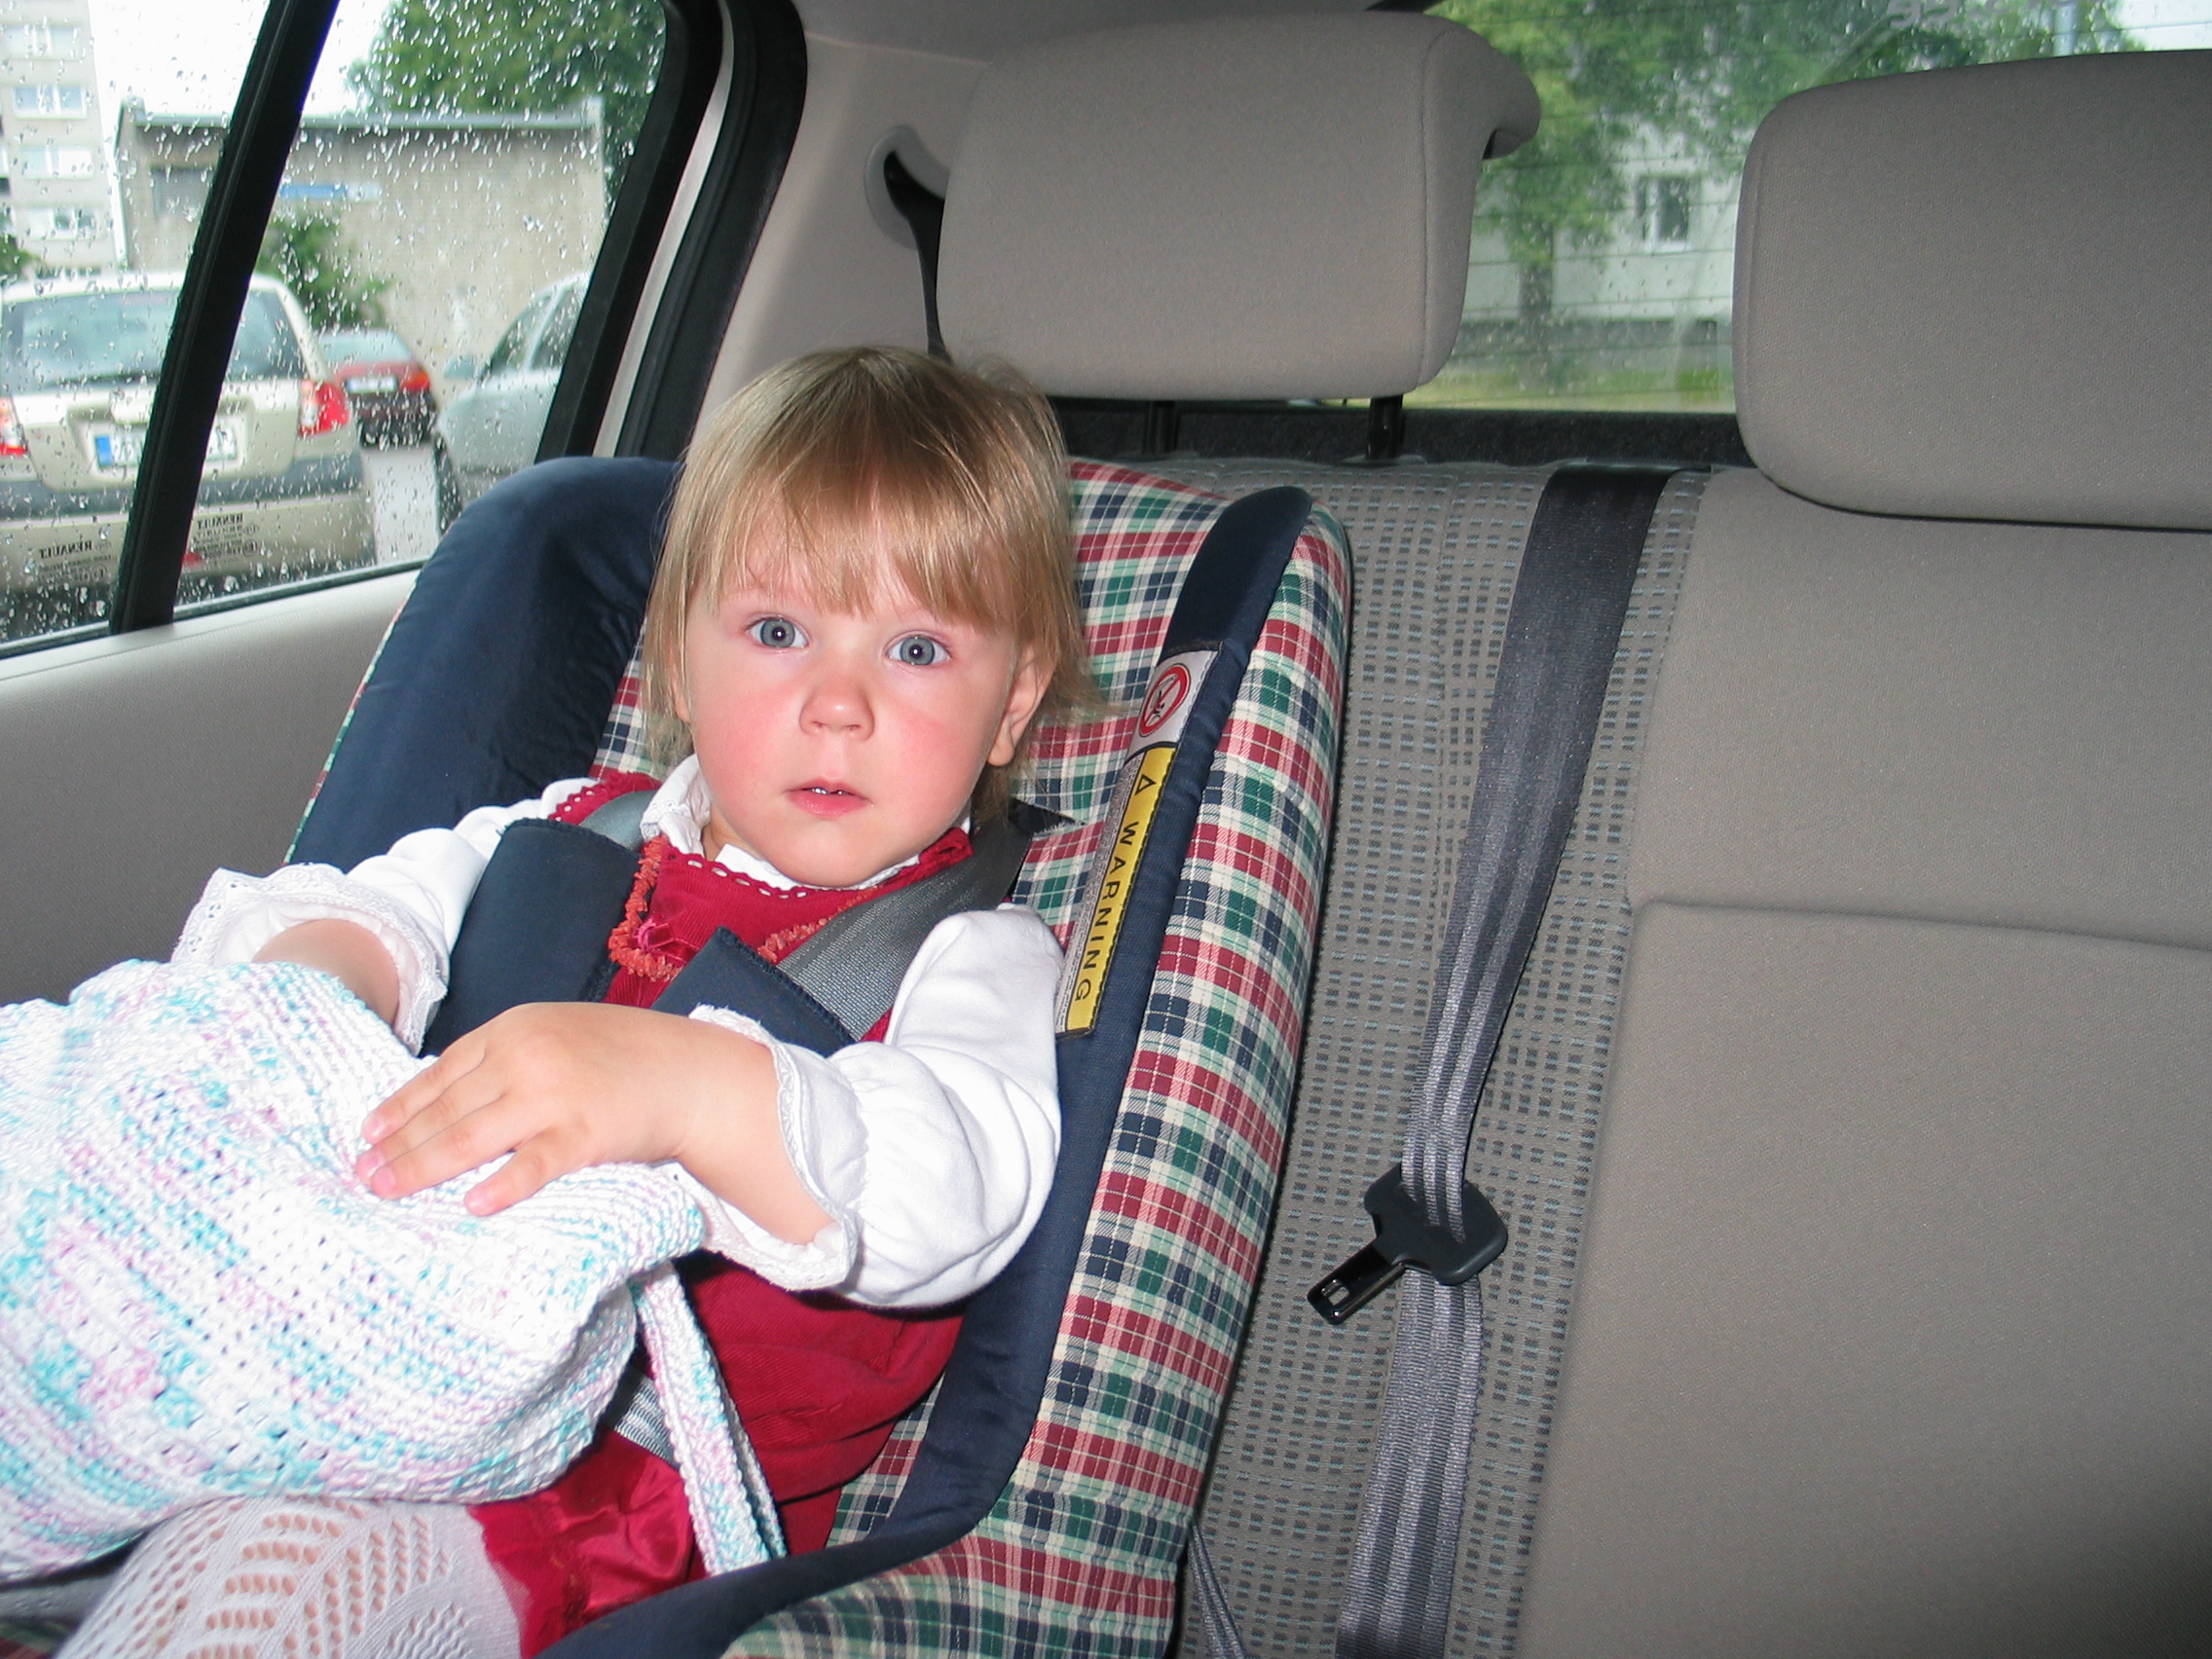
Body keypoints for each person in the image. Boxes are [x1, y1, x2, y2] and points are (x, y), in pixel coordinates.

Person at [58, 346, 1092, 1659]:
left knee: (256, 1573)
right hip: (360, 1351)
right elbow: (376, 911)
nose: (839, 704)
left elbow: (954, 1192)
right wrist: (320, 984)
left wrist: (684, 1092)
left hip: (631, 1483)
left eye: (918, 649)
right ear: (680, 661)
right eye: (778, 634)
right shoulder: (574, 829)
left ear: (1010, 705)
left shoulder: (972, 950)